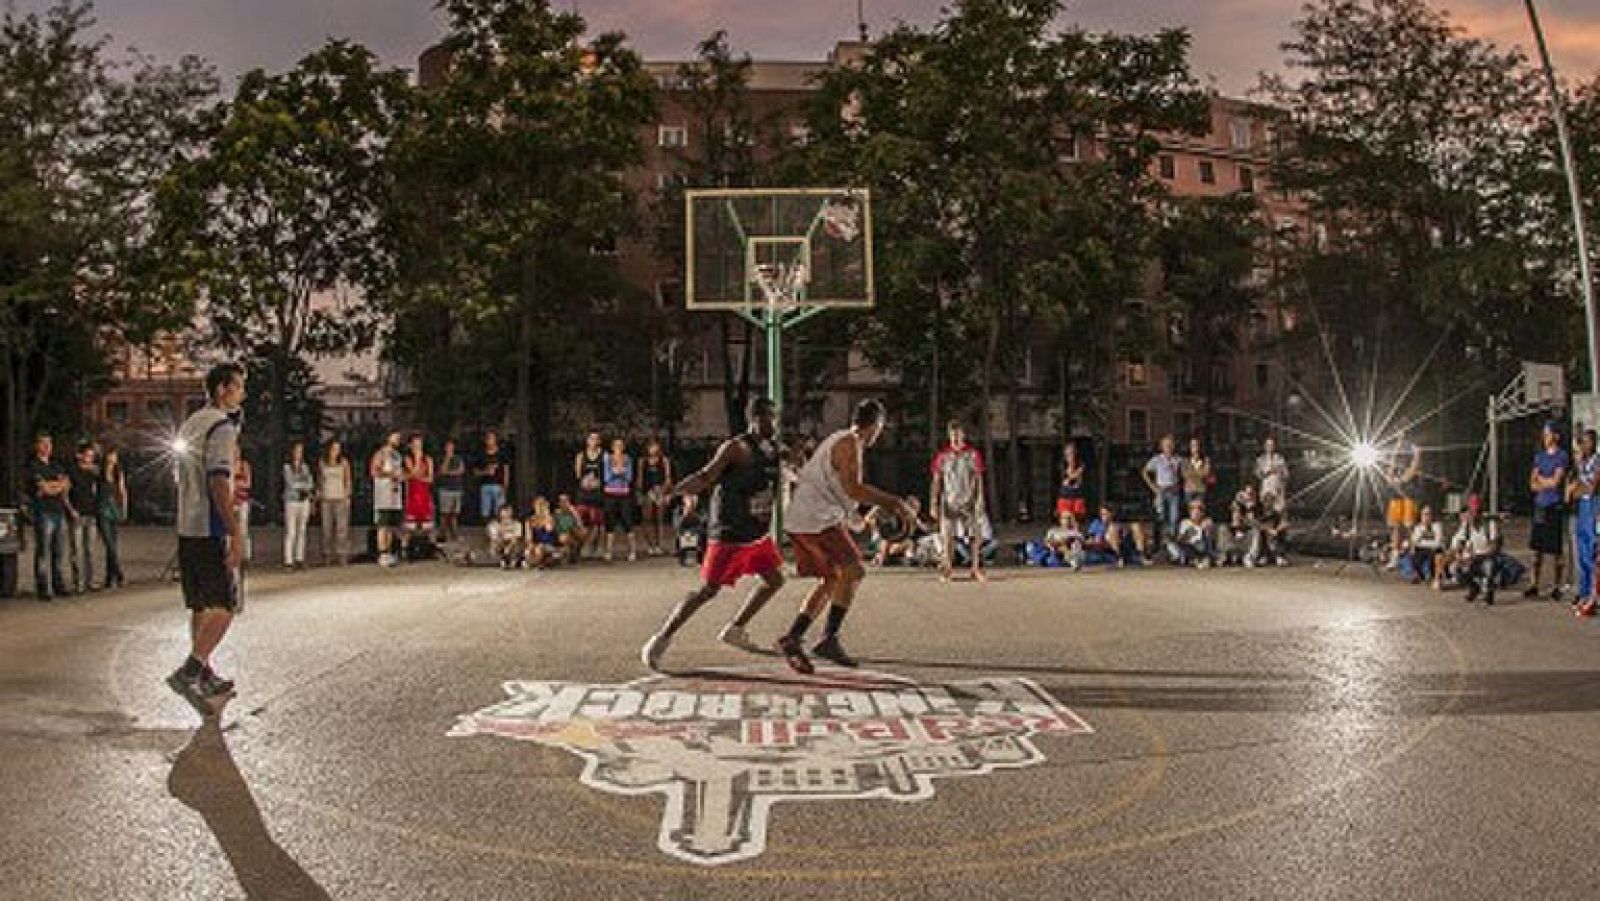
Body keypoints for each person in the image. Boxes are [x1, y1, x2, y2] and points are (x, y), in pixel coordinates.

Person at [641, 397, 789, 671]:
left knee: (775, 579)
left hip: (756, 533)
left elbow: (788, 468)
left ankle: (735, 628)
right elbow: (705, 476)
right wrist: (673, 492)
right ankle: (661, 638)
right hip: (729, 532)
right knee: (707, 591)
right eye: (771, 418)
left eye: (777, 418)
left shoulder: (773, 449)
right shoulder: (736, 448)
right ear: (755, 420)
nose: (775, 424)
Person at [778, 399, 916, 674]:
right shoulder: (849, 442)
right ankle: (828, 639)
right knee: (854, 571)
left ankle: (793, 637)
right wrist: (895, 503)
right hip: (815, 519)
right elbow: (853, 488)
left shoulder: (841, 442)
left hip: (808, 519)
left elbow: (843, 495)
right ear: (876, 426)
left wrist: (867, 519)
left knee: (833, 578)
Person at [165, 363, 247, 714]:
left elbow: (178, 473)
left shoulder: (192, 423)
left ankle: (206, 673)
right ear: (222, 390)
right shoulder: (221, 426)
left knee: (199, 603)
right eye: (239, 386)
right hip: (209, 526)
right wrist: (234, 530)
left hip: (187, 523)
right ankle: (192, 669)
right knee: (227, 606)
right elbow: (217, 479)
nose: (242, 393)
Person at [930, 421, 989, 583]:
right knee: (947, 536)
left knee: (974, 536)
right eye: (952, 434)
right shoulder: (942, 457)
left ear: (963, 435)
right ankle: (947, 568)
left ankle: (975, 568)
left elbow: (978, 479)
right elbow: (936, 481)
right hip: (949, 501)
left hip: (968, 500)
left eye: (958, 434)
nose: (955, 437)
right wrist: (933, 502)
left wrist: (980, 499)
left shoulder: (973, 455)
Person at [22, 433, 70, 601]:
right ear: (37, 446)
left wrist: (54, 486)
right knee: (43, 550)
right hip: (43, 512)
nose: (47, 447)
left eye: (50, 443)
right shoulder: (32, 466)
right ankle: (43, 587)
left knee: (58, 551)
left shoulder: (56, 465)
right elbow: (43, 488)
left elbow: (66, 485)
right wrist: (55, 486)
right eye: (44, 443)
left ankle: (58, 584)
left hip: (58, 511)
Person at [1526, 422, 1569, 599]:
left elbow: (1556, 482)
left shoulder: (1562, 456)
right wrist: (1545, 481)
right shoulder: (1539, 456)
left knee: (1556, 549)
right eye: (1544, 434)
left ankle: (1556, 586)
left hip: (1554, 505)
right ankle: (1533, 584)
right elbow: (1532, 483)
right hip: (1540, 505)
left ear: (1556, 436)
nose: (1545, 437)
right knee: (1537, 549)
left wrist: (1542, 481)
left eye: (1548, 434)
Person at [1570, 430, 1599, 616]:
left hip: (1595, 509)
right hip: (1583, 509)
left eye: (1587, 442)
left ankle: (1594, 596)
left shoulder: (1597, 461)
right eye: (1582, 442)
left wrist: (1578, 490)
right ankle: (1584, 592)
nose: (1584, 446)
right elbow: (1574, 489)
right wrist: (1577, 490)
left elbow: (1592, 487)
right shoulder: (1582, 462)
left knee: (1593, 553)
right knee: (1581, 554)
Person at [1383, 431, 1422, 568]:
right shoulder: (1395, 452)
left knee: (1409, 525)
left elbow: (1413, 469)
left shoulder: (1413, 449)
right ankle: (1395, 556)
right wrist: (1391, 478)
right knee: (1396, 527)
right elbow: (1388, 472)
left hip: (1409, 494)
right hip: (1396, 495)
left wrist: (1401, 480)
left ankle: (1412, 557)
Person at [1452, 495, 1501, 604]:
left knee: (1489, 567)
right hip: (1472, 558)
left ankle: (1488, 593)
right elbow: (1460, 541)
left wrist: (1476, 556)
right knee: (1456, 569)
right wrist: (1459, 554)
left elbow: (1494, 547)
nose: (1475, 514)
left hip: (1487, 557)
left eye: (1477, 511)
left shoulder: (1490, 525)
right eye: (1473, 511)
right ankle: (1473, 588)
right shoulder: (1467, 526)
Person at [1141, 434, 1184, 556]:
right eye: (1166, 445)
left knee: (1174, 518)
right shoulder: (1157, 459)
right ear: (1162, 447)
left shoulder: (1177, 460)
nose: (1169, 447)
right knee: (1161, 517)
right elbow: (1145, 472)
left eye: (1171, 445)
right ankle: (1159, 544)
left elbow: (1183, 474)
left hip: (1173, 491)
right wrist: (1153, 487)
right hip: (1162, 490)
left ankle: (1171, 544)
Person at [67, 441, 100, 593]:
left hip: (91, 513)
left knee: (90, 550)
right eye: (87, 456)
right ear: (80, 455)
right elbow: (65, 492)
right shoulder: (72, 471)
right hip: (77, 513)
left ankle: (90, 580)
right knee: (77, 550)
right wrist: (71, 509)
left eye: (92, 456)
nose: (90, 459)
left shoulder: (94, 473)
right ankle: (78, 582)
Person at [370, 431, 405, 567]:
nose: (398, 439)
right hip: (383, 494)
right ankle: (382, 552)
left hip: (395, 494)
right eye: (395, 437)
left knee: (391, 525)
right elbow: (374, 471)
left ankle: (389, 552)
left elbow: (400, 471)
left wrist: (400, 476)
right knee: (382, 525)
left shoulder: (397, 455)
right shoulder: (380, 454)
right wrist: (390, 474)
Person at [603, 437, 638, 562]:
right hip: (610, 492)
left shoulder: (628, 459)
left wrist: (617, 471)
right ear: (612, 447)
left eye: (621, 445)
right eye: (616, 445)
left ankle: (633, 550)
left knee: (627, 521)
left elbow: (629, 477)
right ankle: (608, 551)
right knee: (610, 523)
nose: (618, 448)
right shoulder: (607, 458)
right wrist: (618, 471)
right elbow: (607, 477)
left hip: (624, 492)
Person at [97, 446, 127, 589]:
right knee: (109, 543)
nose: (112, 458)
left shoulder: (117, 473)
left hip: (113, 507)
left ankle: (110, 577)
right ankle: (119, 573)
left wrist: (124, 507)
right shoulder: (99, 472)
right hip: (102, 508)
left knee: (113, 543)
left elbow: (122, 490)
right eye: (110, 455)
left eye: (114, 456)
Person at [281, 440, 315, 570]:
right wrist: (303, 485)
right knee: (291, 531)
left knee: (302, 530)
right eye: (297, 451)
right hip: (291, 501)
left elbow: (310, 483)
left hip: (304, 501)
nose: (299, 454)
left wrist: (304, 486)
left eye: (301, 451)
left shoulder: (305, 467)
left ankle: (299, 558)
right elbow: (291, 483)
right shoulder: (287, 467)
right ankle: (288, 560)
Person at [318, 440, 353, 565]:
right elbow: (320, 480)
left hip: (340, 498)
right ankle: (327, 554)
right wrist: (320, 494)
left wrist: (347, 495)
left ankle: (342, 554)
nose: (336, 451)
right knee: (326, 528)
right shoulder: (323, 463)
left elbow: (348, 479)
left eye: (338, 448)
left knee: (342, 529)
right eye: (334, 448)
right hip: (327, 499)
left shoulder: (343, 462)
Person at [638, 438, 674, 556]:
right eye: (651, 446)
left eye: (655, 446)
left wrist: (664, 491)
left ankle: (659, 545)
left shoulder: (664, 461)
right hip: (647, 492)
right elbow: (640, 479)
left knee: (659, 518)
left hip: (660, 491)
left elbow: (668, 478)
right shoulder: (642, 461)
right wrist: (641, 493)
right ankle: (650, 545)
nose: (653, 449)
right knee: (646, 518)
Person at [574, 431, 607, 559]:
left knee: (597, 521)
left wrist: (597, 482)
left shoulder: (604, 456)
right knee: (582, 519)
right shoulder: (581, 456)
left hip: (598, 492)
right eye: (591, 438)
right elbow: (577, 474)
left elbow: (606, 474)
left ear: (599, 441)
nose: (593, 441)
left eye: (596, 439)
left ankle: (594, 547)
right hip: (584, 492)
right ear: (587, 441)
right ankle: (581, 546)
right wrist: (586, 480)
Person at [1083, 503, 1145, 567]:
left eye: (1105, 514)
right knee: (1112, 529)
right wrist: (1097, 541)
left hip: (1122, 545)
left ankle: (1141, 555)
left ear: (1111, 514)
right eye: (1102, 514)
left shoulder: (1117, 522)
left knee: (1136, 526)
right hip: (1107, 549)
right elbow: (1089, 540)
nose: (1103, 516)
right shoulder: (1096, 523)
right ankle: (1119, 558)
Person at [1404, 505, 1446, 587]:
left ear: (1431, 516)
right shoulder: (1418, 527)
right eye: (1424, 514)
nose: (1426, 517)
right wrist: (1421, 541)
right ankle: (1418, 575)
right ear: (1421, 516)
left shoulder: (1437, 526)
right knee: (1410, 554)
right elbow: (1414, 541)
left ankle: (1435, 578)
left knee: (1437, 553)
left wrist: (1422, 541)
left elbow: (1438, 542)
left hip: (1435, 550)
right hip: (1422, 550)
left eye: (1428, 514)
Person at [403, 432, 436, 536]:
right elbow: (413, 472)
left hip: (425, 495)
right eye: (415, 444)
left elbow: (430, 478)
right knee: (410, 528)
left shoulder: (428, 459)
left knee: (426, 527)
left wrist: (416, 476)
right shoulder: (408, 458)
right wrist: (417, 459)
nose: (417, 446)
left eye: (419, 444)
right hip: (412, 495)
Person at [474, 429, 511, 521]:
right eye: (487, 438)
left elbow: (506, 469)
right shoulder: (481, 454)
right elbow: (475, 471)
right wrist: (485, 471)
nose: (489, 440)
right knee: (485, 512)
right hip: (485, 485)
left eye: (491, 438)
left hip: (498, 485)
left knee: (499, 510)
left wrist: (505, 485)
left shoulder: (501, 453)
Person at [1223, 484, 1263, 567]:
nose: (1249, 496)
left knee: (1256, 531)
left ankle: (1250, 557)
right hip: (1233, 538)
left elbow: (1257, 523)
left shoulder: (1258, 507)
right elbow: (1235, 523)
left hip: (1247, 538)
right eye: (1247, 493)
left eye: (1252, 494)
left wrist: (1250, 510)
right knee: (1222, 529)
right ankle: (1224, 557)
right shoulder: (1236, 506)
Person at [437, 438, 467, 542]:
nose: (449, 448)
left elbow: (461, 470)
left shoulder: (458, 458)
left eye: (451, 446)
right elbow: (442, 470)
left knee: (455, 514)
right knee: (444, 514)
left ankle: (454, 534)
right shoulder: (441, 458)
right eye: (448, 446)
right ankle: (442, 534)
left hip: (457, 489)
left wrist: (449, 472)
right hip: (445, 489)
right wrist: (447, 459)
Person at [1172, 498, 1217, 568]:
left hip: (1202, 547)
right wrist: (1193, 530)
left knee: (1204, 541)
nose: (1196, 512)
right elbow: (1180, 539)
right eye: (1192, 509)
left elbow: (1211, 538)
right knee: (1173, 545)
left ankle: (1206, 558)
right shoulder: (1185, 522)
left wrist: (1206, 529)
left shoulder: (1207, 521)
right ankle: (1192, 560)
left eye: (1200, 509)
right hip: (1189, 547)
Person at [1255, 437, 1290, 514]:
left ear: (1274, 446)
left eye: (1271, 445)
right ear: (1265, 446)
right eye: (1268, 445)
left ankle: (1278, 522)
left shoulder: (1280, 458)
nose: (1269, 447)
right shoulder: (1260, 459)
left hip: (1277, 485)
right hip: (1266, 486)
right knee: (1267, 506)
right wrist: (1266, 473)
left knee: (1278, 508)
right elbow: (1257, 474)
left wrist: (1280, 474)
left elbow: (1286, 473)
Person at [525, 497, 560, 569]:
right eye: (538, 505)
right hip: (536, 544)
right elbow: (528, 537)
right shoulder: (530, 520)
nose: (540, 508)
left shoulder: (550, 519)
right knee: (529, 551)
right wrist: (531, 544)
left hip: (548, 544)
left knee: (539, 549)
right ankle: (540, 561)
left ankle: (544, 561)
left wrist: (545, 518)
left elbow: (548, 533)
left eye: (542, 505)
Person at [1056, 442, 1087, 522]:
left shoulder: (1081, 464)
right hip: (1065, 496)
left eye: (1072, 453)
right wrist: (1075, 474)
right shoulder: (1062, 466)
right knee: (1066, 519)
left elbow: (1079, 481)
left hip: (1077, 496)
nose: (1070, 456)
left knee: (1076, 520)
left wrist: (1076, 473)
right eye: (1068, 454)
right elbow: (1065, 482)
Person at [1180, 437, 1213, 513]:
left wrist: (1192, 472)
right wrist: (1198, 472)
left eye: (1197, 445)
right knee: (1190, 510)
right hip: (1189, 489)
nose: (1195, 448)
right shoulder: (1185, 460)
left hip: (1201, 489)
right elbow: (1184, 474)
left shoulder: (1205, 460)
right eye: (1193, 445)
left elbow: (1206, 473)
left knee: (1200, 510)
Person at [1256, 494, 1290, 566]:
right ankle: (1264, 556)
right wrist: (1268, 530)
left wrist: (1277, 530)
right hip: (1265, 537)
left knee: (1282, 532)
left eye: (1271, 501)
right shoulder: (1260, 513)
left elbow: (1284, 523)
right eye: (1267, 501)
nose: (1269, 503)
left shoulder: (1276, 514)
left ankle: (1279, 556)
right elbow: (1257, 524)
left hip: (1274, 536)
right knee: (1259, 533)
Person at [487, 504, 524, 569]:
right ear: (500, 513)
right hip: (500, 544)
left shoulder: (517, 524)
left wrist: (508, 547)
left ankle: (514, 561)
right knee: (494, 544)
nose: (507, 514)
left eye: (509, 511)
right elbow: (494, 537)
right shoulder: (493, 524)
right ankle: (502, 559)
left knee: (516, 543)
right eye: (505, 511)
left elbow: (517, 536)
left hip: (512, 545)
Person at [232, 451, 253, 563]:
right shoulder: (229, 465)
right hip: (231, 501)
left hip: (243, 501)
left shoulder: (244, 465)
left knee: (243, 528)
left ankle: (245, 554)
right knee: (232, 528)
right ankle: (234, 553)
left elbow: (248, 484)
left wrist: (236, 484)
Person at [554, 493, 587, 566]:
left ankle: (576, 553)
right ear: (559, 503)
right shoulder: (557, 513)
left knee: (583, 532)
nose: (564, 503)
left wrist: (574, 513)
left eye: (566, 501)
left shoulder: (573, 512)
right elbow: (557, 527)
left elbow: (580, 524)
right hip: (561, 533)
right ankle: (568, 556)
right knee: (565, 538)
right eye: (562, 501)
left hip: (572, 533)